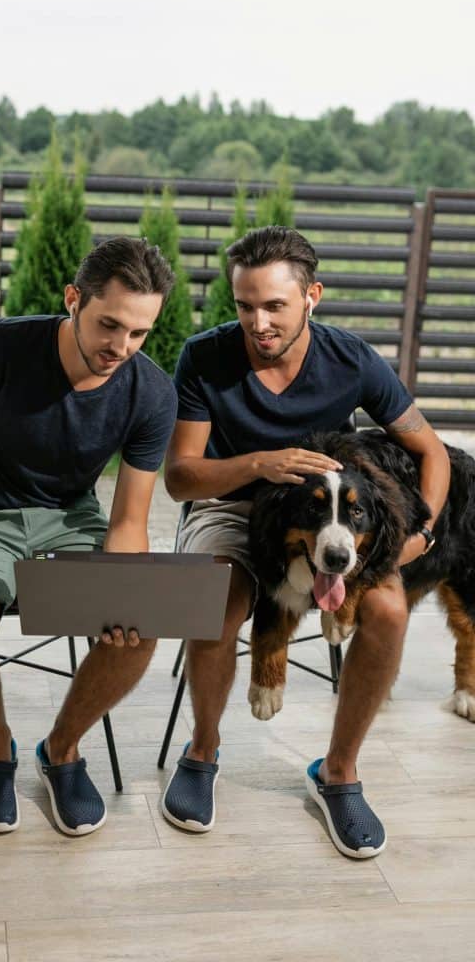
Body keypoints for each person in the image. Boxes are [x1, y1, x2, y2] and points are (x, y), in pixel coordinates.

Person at [160, 225, 450, 858]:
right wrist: (257, 465)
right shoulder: (205, 357)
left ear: (311, 296)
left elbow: (431, 451)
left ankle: (338, 771)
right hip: (231, 506)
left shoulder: (351, 360)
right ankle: (202, 751)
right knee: (212, 600)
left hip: (327, 517)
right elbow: (181, 477)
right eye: (244, 305)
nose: (257, 323)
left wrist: (421, 535)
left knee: (390, 611)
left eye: (274, 306)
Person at [0, 236, 178, 837]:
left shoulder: (152, 393)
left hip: (70, 520)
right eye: (110, 325)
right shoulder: (1, 347)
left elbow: (129, 521)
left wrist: (124, 590)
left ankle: (62, 749)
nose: (121, 347)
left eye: (139, 333)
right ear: (73, 299)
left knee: (139, 633)